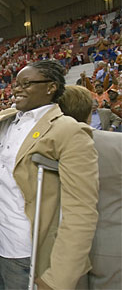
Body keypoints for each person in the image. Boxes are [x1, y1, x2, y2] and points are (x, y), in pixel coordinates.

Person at [0, 30, 98, 290]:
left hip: (26, 253)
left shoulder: (69, 131)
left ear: (51, 87)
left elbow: (81, 212)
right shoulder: (5, 118)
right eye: (16, 83)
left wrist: (59, 278)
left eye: (27, 84)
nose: (17, 89)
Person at [58, 85, 122, 290]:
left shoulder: (46, 148)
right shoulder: (118, 143)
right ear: (89, 111)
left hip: (63, 244)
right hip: (111, 240)